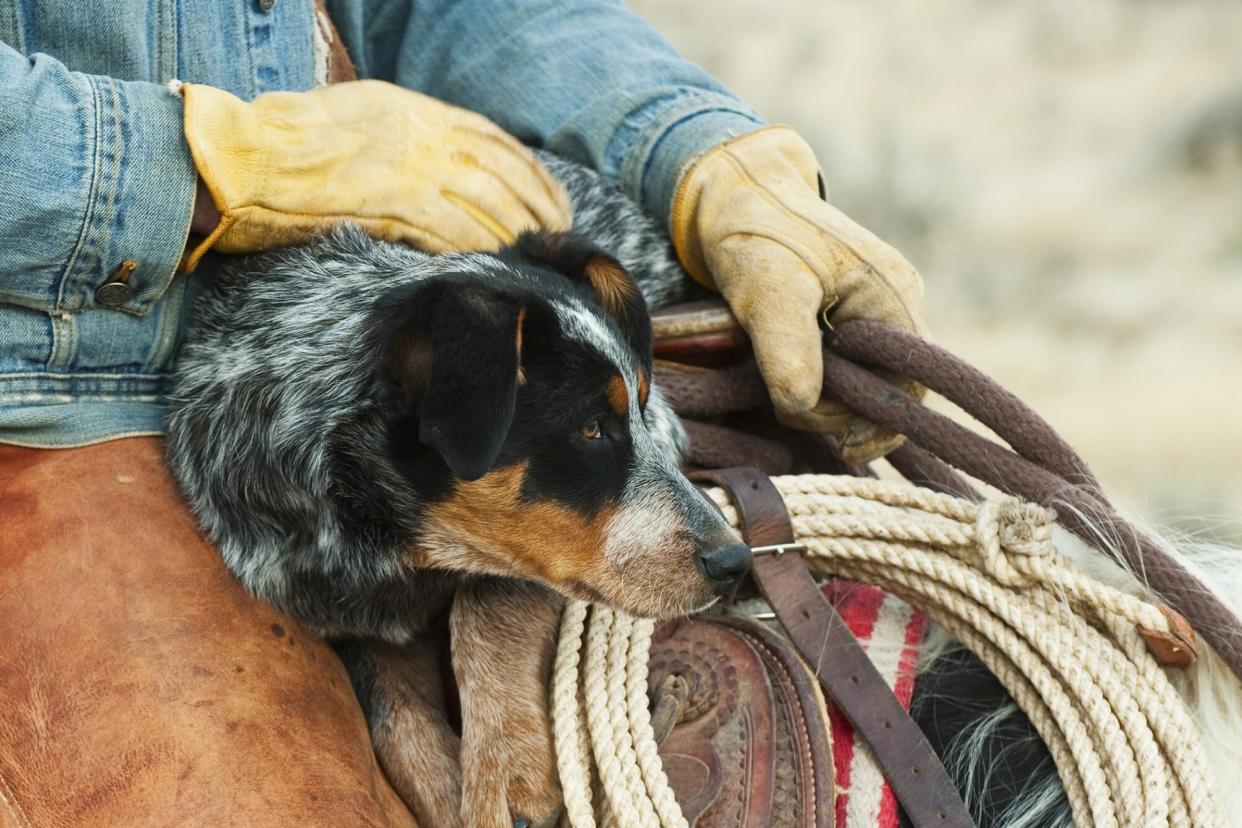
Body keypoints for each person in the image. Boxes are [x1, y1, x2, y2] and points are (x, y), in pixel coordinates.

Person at [0, 1, 926, 824]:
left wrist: (702, 157)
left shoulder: (492, 352)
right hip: (56, 399)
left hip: (406, 328)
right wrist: (195, 162)